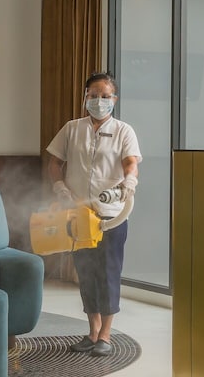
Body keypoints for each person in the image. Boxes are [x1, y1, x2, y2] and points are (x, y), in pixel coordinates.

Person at [46, 71, 141, 357]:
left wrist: (129, 182)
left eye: (105, 96)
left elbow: (130, 163)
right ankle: (92, 331)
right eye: (94, 95)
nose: (99, 101)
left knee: (108, 273)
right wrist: (60, 188)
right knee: (85, 273)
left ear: (114, 99)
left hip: (111, 216)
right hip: (78, 215)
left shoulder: (124, 131)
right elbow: (54, 163)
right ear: (85, 97)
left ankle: (106, 335)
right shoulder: (72, 128)